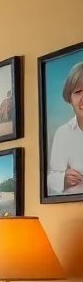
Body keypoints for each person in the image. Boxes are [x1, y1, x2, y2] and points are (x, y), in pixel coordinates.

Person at [47, 61, 83, 196]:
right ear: (70, 98)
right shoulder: (63, 133)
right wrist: (63, 179)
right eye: (78, 92)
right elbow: (52, 178)